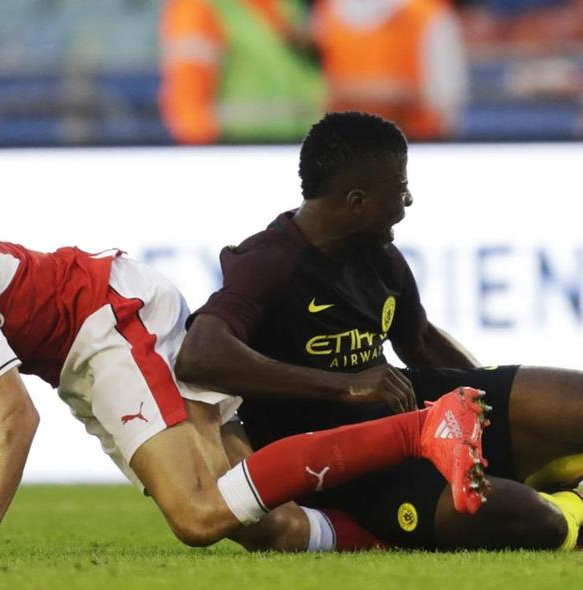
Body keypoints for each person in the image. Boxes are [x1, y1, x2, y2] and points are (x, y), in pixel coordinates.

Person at [0, 215, 487, 555]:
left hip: (106, 311)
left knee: (199, 517)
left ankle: (425, 426)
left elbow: (13, 416)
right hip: (69, 359)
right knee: (259, 525)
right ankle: (416, 526)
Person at [176, 111, 583, 550]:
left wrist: (491, 416)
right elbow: (200, 356)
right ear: (357, 201)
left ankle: (538, 468)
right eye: (401, 186)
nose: (408, 200)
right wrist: (344, 386)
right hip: (343, 462)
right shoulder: (269, 261)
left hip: (410, 409)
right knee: (517, 516)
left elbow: (420, 341)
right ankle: (574, 506)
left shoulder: (382, 258)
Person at [159, 0, 326, 144]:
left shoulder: (288, 5)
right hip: (240, 155)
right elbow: (189, 109)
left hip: (299, 151)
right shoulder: (199, 8)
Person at [311, 0, 469, 140]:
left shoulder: (430, 15)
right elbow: (312, 95)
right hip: (340, 151)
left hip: (417, 146)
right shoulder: (324, 12)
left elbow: (446, 100)